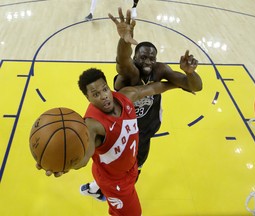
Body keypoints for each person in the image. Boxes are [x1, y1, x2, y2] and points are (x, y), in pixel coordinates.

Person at [80, 8, 203, 200]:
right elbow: (122, 62)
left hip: (145, 129)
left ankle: (113, 190)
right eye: (142, 57)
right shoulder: (129, 74)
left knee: (135, 167)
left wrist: (189, 73)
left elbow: (196, 86)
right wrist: (124, 40)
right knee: (112, 165)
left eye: (151, 58)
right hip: (122, 128)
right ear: (135, 58)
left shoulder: (161, 70)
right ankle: (103, 189)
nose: (147, 61)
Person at [37, 68, 177, 215]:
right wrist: (61, 166)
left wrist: (181, 84)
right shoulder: (92, 126)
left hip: (118, 167)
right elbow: (83, 159)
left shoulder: (125, 96)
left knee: (102, 171)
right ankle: (101, 189)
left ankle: (94, 189)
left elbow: (153, 88)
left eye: (105, 89)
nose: (104, 96)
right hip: (116, 183)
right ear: (87, 97)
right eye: (96, 94)